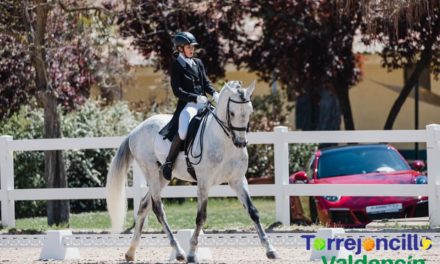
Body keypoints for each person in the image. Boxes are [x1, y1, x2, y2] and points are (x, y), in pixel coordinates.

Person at [158, 32, 219, 181]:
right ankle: (169, 162)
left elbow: (206, 82)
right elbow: (177, 91)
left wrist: (214, 93)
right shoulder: (177, 65)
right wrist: (195, 97)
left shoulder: (198, 62)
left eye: (192, 47)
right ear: (180, 48)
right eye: (188, 47)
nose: (191, 50)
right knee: (183, 130)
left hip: (203, 102)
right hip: (189, 105)